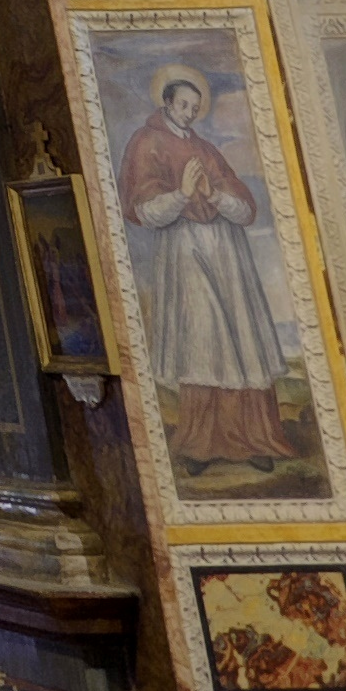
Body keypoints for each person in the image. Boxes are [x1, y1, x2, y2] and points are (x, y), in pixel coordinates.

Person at [116, 70, 304, 478]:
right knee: (203, 338)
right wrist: (183, 194)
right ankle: (202, 442)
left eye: (195, 107)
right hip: (184, 249)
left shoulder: (205, 148)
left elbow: (241, 200)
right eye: (183, 104)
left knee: (239, 336)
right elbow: (144, 209)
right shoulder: (146, 143)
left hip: (226, 251)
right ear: (166, 103)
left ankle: (255, 438)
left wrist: (216, 196)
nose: (190, 112)